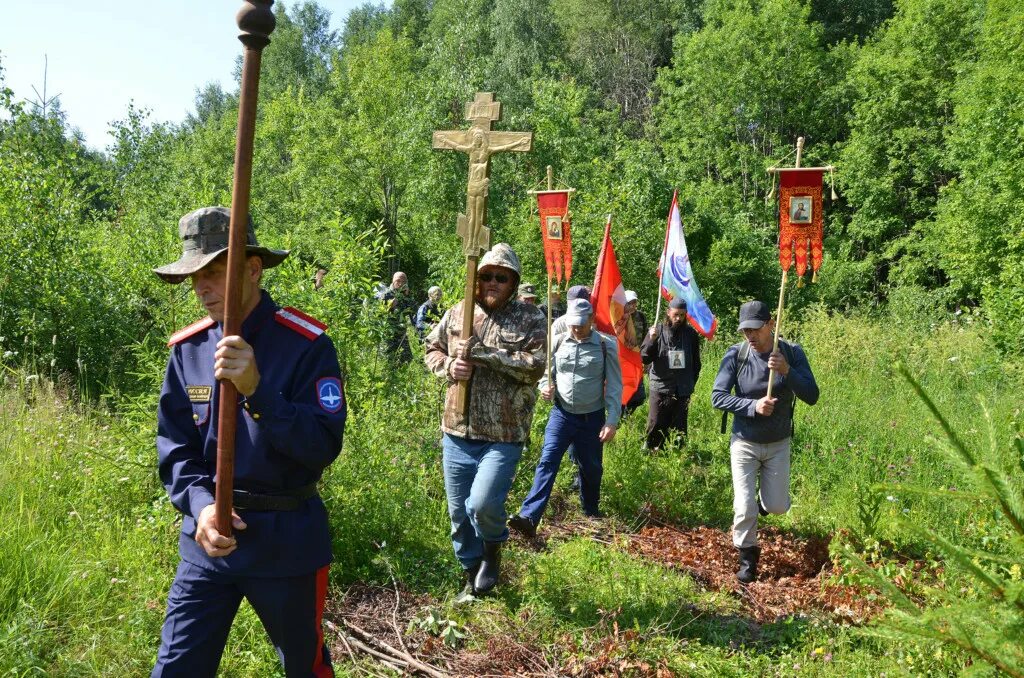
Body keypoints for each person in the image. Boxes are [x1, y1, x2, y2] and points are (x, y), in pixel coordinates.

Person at [150, 207, 346, 676]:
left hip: (286, 542)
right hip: (209, 542)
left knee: (305, 667)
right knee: (176, 668)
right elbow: (175, 449)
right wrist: (200, 507)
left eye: (214, 271)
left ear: (253, 268)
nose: (202, 288)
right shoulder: (189, 351)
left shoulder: (305, 344)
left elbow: (322, 446)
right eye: (194, 275)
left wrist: (260, 392)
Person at [424, 243, 546, 603]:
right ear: (476, 279)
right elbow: (431, 348)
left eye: (501, 277)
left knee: (481, 504)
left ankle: (493, 549)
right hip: (457, 430)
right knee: (459, 516)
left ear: (513, 282)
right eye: (486, 276)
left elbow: (535, 366)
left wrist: (484, 354)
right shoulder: (459, 313)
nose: (492, 282)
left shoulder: (531, 319)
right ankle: (470, 579)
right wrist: (449, 367)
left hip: (503, 434)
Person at [711, 300, 819, 584]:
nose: (751, 336)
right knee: (744, 505)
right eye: (745, 330)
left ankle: (764, 502)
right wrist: (752, 405)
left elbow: (812, 395)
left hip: (778, 442)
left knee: (778, 507)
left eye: (756, 329)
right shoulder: (737, 354)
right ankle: (747, 559)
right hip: (744, 441)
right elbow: (717, 396)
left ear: (771, 325)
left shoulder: (792, 353)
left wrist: (787, 371)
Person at [508, 299, 622, 538]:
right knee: (547, 461)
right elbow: (544, 373)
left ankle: (591, 512)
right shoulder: (558, 341)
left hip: (592, 418)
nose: (576, 329)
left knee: (591, 468)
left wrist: (611, 420)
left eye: (581, 324)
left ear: (591, 320)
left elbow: (614, 385)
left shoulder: (606, 345)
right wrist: (544, 386)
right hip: (562, 415)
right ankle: (529, 517)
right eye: (573, 324)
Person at [640, 296, 702, 450]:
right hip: (660, 387)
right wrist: (651, 340)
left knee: (679, 426)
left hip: (682, 389)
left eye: (682, 315)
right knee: (655, 423)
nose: (679, 318)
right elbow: (645, 358)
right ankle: (651, 453)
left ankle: (677, 455)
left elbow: (696, 364)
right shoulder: (657, 331)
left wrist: (689, 384)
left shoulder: (691, 334)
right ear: (668, 312)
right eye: (676, 314)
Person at [621, 290, 649, 416]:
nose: (632, 305)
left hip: (636, 360)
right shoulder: (618, 316)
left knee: (639, 396)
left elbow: (645, 339)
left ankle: (626, 415)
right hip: (621, 360)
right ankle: (620, 418)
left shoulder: (641, 317)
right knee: (623, 392)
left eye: (634, 302)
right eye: (629, 303)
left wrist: (646, 361)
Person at [382, 271, 416, 361]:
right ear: (393, 281)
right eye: (398, 281)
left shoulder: (406, 295)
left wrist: (408, 296)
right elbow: (379, 313)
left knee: (407, 358)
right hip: (389, 332)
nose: (401, 284)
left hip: (401, 332)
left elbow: (413, 310)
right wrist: (389, 307)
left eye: (404, 282)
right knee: (387, 359)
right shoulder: (386, 294)